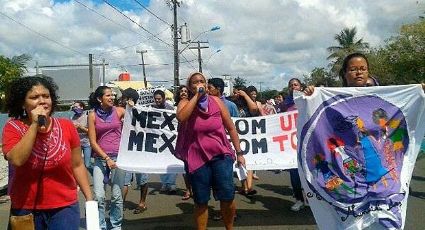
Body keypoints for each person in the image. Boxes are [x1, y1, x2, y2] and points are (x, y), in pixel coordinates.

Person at [2, 76, 92, 229]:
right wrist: (35, 124)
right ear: (23, 103)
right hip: (25, 208)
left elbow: (77, 165)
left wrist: (89, 199)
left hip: (64, 208)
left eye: (46, 96)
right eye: (34, 97)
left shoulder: (66, 126)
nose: (42, 101)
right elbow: (16, 159)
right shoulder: (13, 127)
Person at [176, 72, 246, 230]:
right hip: (196, 158)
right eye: (195, 82)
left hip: (221, 156)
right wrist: (196, 97)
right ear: (190, 87)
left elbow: (231, 128)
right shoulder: (185, 103)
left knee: (227, 196)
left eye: (202, 81)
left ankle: (230, 228)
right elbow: (181, 117)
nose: (199, 84)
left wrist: (239, 153)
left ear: (207, 85)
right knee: (201, 200)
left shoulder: (216, 102)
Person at [88, 85, 126, 230]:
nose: (112, 98)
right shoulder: (92, 115)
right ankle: (101, 226)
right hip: (100, 159)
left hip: (119, 160)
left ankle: (116, 226)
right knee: (99, 196)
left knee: (117, 196)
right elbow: (92, 141)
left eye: (113, 95)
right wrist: (106, 158)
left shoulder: (120, 111)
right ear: (99, 99)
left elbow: (139, 118)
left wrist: (132, 106)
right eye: (108, 95)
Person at [281, 78, 307, 212]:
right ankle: (299, 199)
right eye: (290, 85)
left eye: (295, 84)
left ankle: (314, 199)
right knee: (294, 173)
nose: (293, 87)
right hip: (292, 144)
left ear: (300, 86)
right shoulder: (285, 104)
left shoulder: (308, 99)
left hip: (308, 142)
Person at [151, 89, 178, 194]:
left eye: (159, 99)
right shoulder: (151, 108)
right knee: (160, 160)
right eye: (156, 99)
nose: (157, 101)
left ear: (164, 99)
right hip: (158, 139)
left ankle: (171, 183)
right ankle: (164, 183)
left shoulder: (170, 109)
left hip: (170, 138)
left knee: (171, 160)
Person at [174, 85, 193, 200]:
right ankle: (188, 189)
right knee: (186, 165)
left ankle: (195, 188)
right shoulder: (172, 106)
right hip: (181, 136)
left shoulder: (193, 103)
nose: (183, 93)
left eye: (186, 91)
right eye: (181, 91)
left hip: (191, 136)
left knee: (193, 164)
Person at [71, 100, 92, 174]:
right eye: (74, 107)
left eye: (77, 107)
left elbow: (91, 131)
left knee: (87, 164)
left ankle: (96, 174)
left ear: (82, 107)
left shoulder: (87, 117)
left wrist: (81, 127)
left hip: (87, 143)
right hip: (77, 144)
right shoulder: (73, 117)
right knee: (78, 164)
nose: (75, 108)